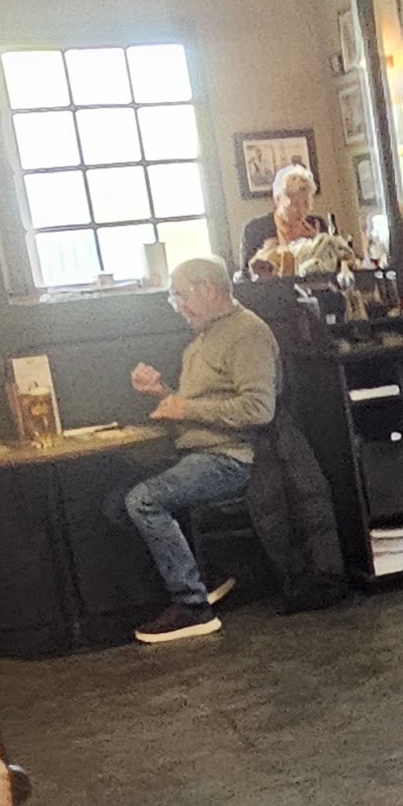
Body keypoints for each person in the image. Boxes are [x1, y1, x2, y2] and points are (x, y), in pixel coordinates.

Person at [111, 253, 278, 644]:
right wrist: (162, 394)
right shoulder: (204, 336)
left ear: (209, 289)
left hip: (232, 457)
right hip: (198, 453)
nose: (178, 306)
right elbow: (197, 407)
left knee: (143, 500)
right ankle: (201, 575)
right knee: (115, 500)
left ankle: (192, 606)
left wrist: (184, 407)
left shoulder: (247, 332)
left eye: (180, 295)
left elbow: (259, 409)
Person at [241, 161, 341, 275]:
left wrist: (318, 243)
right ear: (277, 200)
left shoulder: (317, 224)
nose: (301, 211)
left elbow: (334, 267)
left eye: (306, 204)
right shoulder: (254, 230)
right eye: (294, 205)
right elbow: (244, 277)